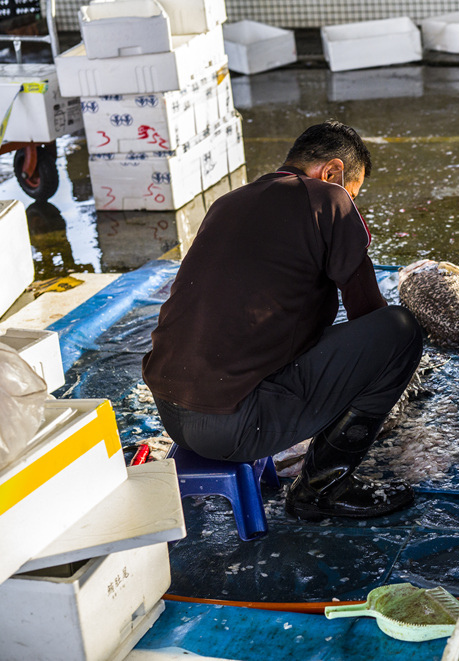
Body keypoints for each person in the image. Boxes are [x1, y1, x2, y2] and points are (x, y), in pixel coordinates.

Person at [142, 120, 423, 520]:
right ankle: (321, 489)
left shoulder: (229, 202)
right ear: (333, 172)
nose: (351, 203)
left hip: (172, 413)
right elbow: (369, 313)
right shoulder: (328, 198)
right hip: (235, 426)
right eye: (353, 194)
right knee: (400, 331)